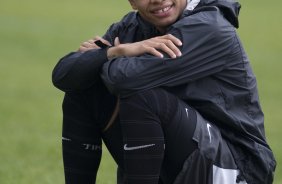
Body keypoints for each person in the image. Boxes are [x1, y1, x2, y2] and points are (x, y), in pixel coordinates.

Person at [52, 0, 276, 184]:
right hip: (188, 158)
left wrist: (101, 57)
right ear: (131, 2)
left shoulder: (211, 27)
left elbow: (124, 79)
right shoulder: (132, 27)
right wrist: (114, 51)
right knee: (82, 89)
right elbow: (63, 76)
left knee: (143, 96)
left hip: (238, 170)